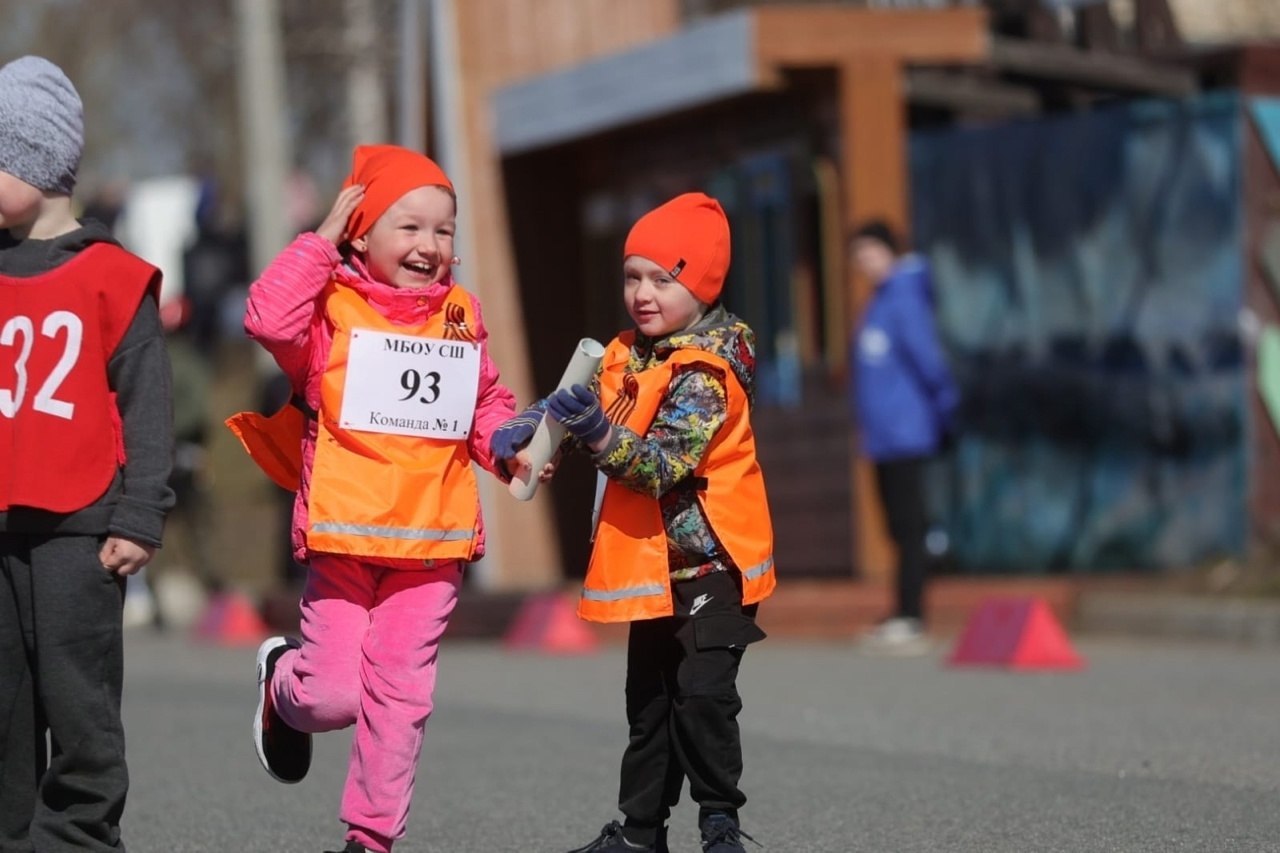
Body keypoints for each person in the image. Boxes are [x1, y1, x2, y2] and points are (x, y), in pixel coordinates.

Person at [232, 144, 517, 853]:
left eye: (443, 231)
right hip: (344, 538)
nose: (429, 245)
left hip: (433, 545)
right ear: (361, 231)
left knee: (400, 698)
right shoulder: (329, 308)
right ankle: (280, 685)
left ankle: (371, 837)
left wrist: (512, 444)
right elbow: (267, 319)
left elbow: (484, 404)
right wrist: (319, 241)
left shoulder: (460, 314)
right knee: (331, 696)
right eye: (410, 227)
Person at [491, 193, 776, 853]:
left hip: (710, 566)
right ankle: (640, 833)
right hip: (651, 568)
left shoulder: (707, 373)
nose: (642, 293)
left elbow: (661, 466)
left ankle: (720, 823)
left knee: (702, 700)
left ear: (700, 283)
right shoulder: (625, 351)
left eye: (662, 278)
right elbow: (572, 398)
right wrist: (529, 426)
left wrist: (594, 435)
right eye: (632, 276)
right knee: (648, 708)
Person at [0, 56, 174, 850]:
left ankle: (76, 836)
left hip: (79, 527)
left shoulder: (112, 275)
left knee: (79, 703)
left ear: (36, 163)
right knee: (5, 701)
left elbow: (146, 404)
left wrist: (140, 514)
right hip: (2, 528)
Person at [848, 219, 959, 655]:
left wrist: (946, 411)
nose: (863, 263)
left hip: (907, 432)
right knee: (898, 526)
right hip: (884, 435)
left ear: (890, 250)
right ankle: (903, 610)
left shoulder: (903, 298)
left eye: (870, 252)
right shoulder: (880, 300)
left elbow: (929, 362)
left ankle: (912, 614)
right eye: (857, 257)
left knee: (910, 526)